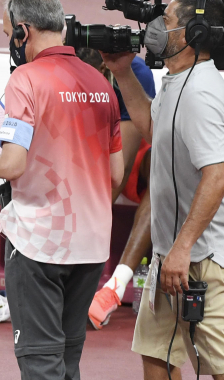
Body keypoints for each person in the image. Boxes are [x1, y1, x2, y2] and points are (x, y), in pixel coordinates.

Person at [0, 0, 123, 379]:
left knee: (41, 364)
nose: (11, 41)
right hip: (91, 244)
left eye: (10, 32)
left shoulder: (25, 80)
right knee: (66, 359)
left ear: (23, 31)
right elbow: (116, 175)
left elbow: (12, 164)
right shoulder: (100, 82)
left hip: (39, 243)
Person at [102, 0, 224, 379]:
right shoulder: (176, 81)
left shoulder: (200, 93)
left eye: (166, 21)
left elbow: (217, 176)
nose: (155, 28)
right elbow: (155, 128)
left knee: (220, 365)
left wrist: (182, 250)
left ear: (192, 34)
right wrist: (121, 72)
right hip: (171, 255)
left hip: (199, 259)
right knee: (157, 355)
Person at [75, 49, 158, 330]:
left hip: (130, 156)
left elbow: (116, 174)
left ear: (102, 72)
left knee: (165, 168)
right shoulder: (60, 74)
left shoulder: (134, 74)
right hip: (83, 153)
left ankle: (116, 286)